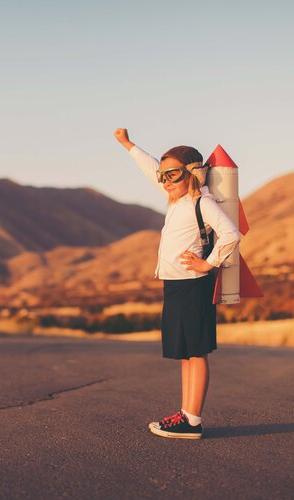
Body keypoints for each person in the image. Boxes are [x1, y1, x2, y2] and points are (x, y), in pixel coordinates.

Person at [113, 128, 241, 439]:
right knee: (186, 353)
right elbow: (150, 166)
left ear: (193, 173)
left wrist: (207, 264)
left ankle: (193, 420)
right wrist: (128, 144)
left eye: (173, 175)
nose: (167, 181)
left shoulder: (201, 202)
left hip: (193, 285)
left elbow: (231, 234)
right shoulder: (176, 199)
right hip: (175, 285)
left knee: (196, 353)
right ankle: (186, 413)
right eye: (163, 177)